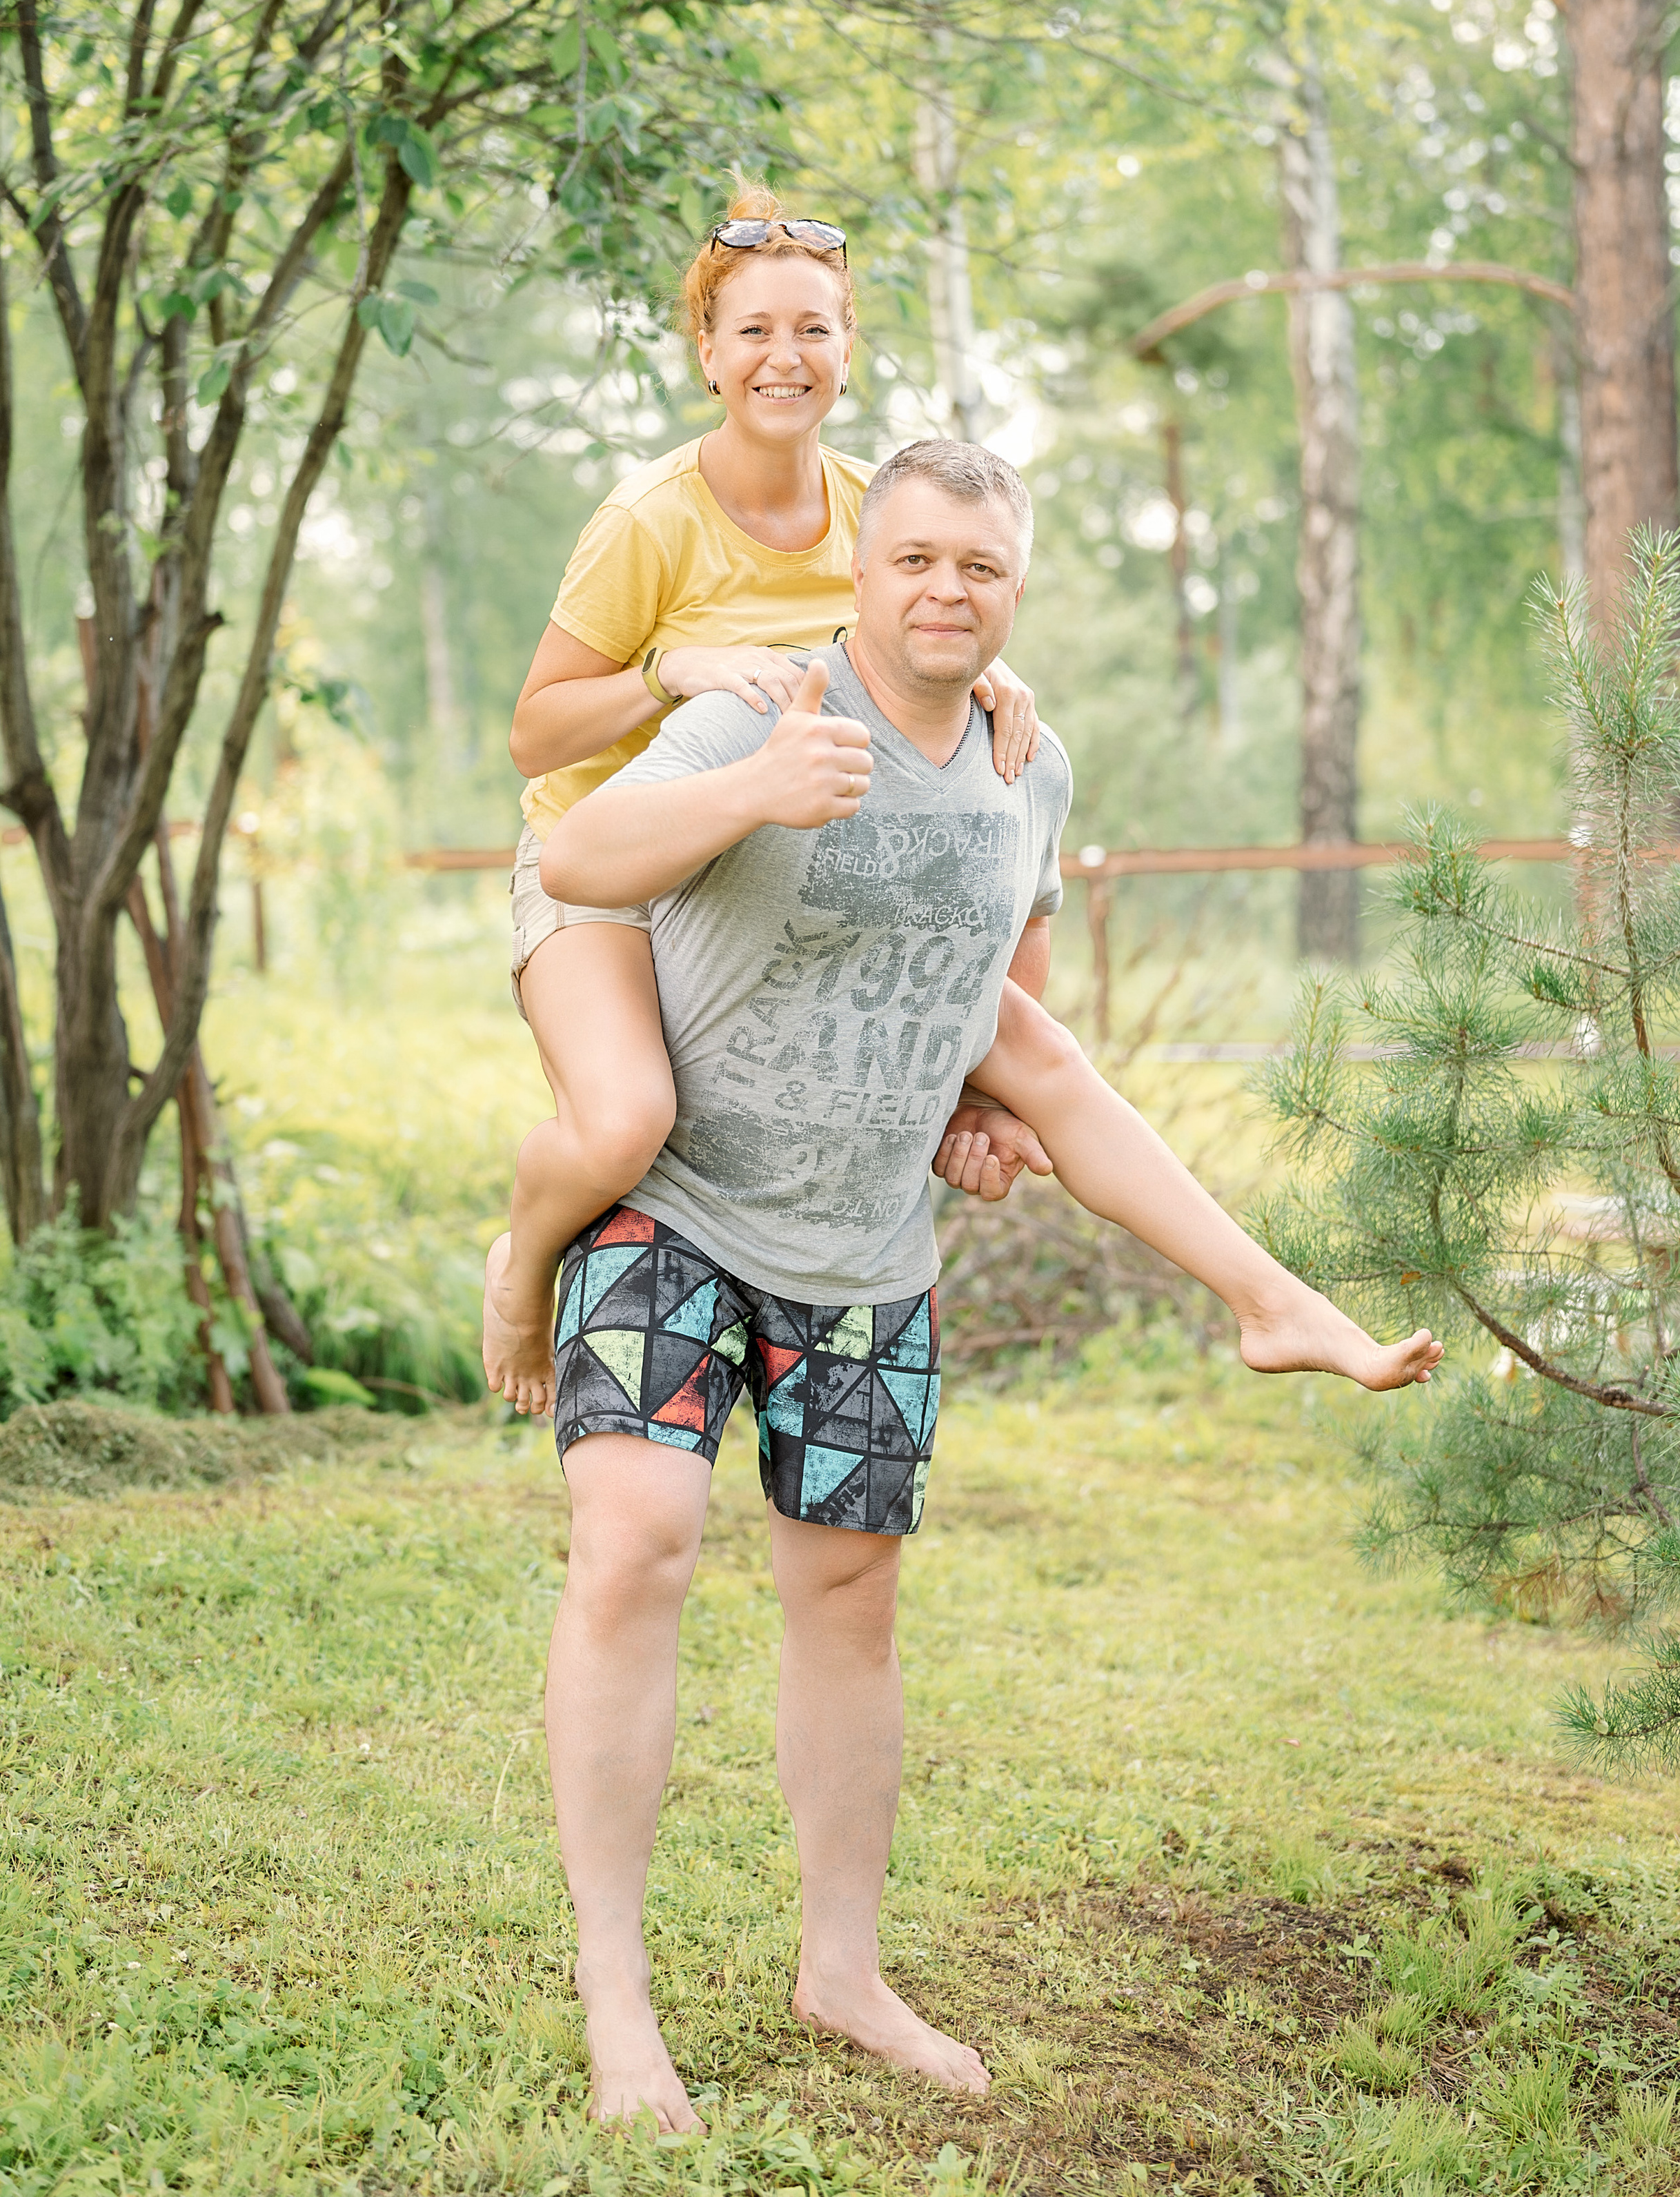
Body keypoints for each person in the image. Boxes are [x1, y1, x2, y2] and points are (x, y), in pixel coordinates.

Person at [535, 437, 1443, 2132]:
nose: (946, 591)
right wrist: (744, 791)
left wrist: (966, 1104)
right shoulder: (766, 715)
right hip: (674, 1208)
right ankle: (617, 1998)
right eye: (915, 562)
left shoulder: (1031, 768)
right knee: (636, 1547)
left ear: (1014, 588)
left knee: (849, 1602)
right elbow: (580, 864)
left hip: (866, 1250)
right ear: (860, 575)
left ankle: (842, 1971)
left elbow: (1004, 990)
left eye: (981, 567)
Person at [484, 191, 1040, 1419]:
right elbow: (534, 732)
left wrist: (986, 669)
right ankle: (522, 1269)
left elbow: (912, 632)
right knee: (627, 1120)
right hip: (609, 860)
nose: (783, 358)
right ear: (708, 353)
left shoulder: (875, 512)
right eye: (752, 332)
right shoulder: (651, 520)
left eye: (812, 331)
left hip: (756, 880)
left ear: (847, 350)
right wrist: (663, 672)